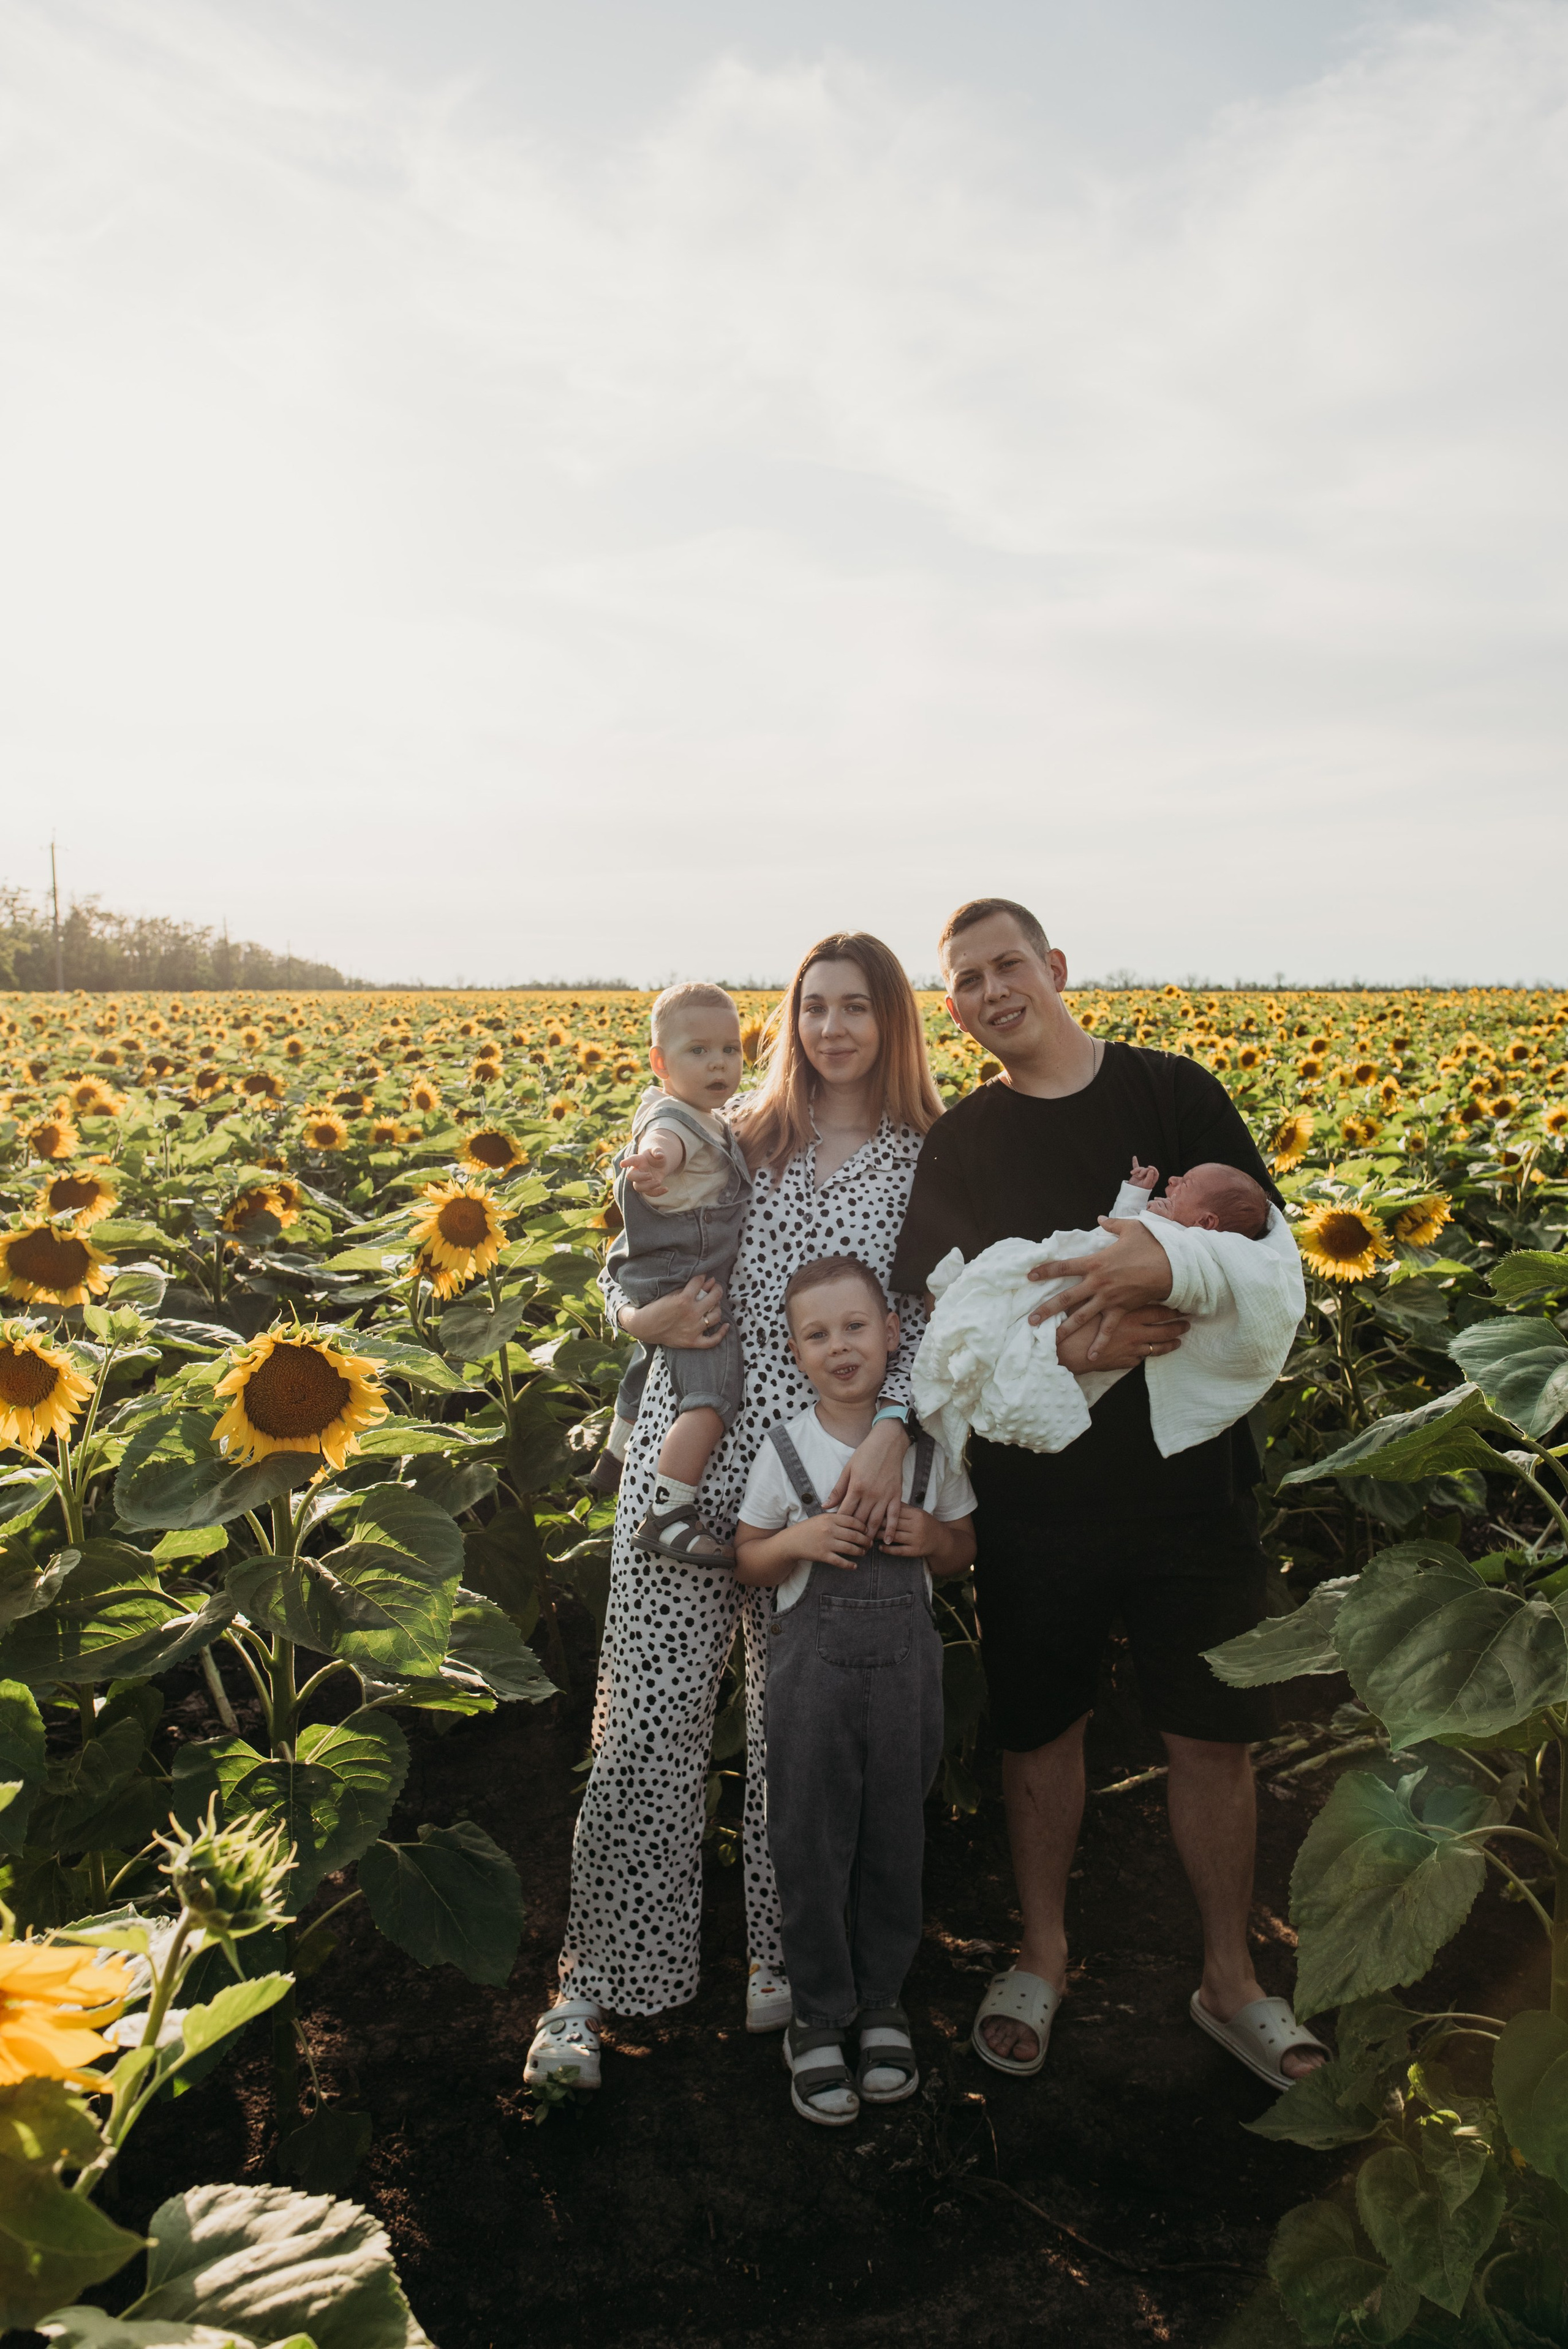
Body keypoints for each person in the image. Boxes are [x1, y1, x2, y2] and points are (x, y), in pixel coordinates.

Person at [891, 898, 1328, 2092]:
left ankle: (1229, 1978)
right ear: (953, 1006)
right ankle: (1041, 1953)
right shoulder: (964, 1140)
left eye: (1008, 965)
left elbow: (1265, 1258)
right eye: (967, 980)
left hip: (1194, 1482)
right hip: (1039, 1493)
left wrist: (1161, 1262)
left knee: (1212, 1732)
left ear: (1054, 966)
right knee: (1039, 1730)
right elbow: (942, 1312)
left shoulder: (1169, 1091)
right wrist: (1069, 1347)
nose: (992, 992)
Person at [525, 934, 944, 2093]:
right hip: (691, 1449)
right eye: (814, 1006)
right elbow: (633, 1250)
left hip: (825, 1471)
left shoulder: (926, 1157)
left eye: (857, 1007)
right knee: (647, 1710)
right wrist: (634, 1320)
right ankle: (601, 1980)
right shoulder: (739, 1130)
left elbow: (934, 1314)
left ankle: (785, 1956)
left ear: (893, 1021)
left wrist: (895, 1429)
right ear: (787, 1022)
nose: (833, 1029)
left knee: (795, 1731)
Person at [733, 1255, 976, 2126]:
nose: (839, 1346)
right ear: (795, 1352)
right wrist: (798, 1539)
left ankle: (881, 2002)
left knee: (894, 1840)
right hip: (813, 1686)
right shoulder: (786, 1448)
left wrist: (930, 1536)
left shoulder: (927, 1448)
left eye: (855, 1326)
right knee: (811, 1843)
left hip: (906, 1682)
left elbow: (964, 1548)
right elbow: (749, 1557)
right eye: (817, 1334)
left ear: (893, 1333)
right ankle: (818, 2012)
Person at [589, 983, 750, 1566]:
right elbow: (666, 1143)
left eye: (730, 1050)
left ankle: (615, 1453)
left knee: (647, 1362)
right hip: (685, 1282)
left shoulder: (710, 1114)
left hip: (661, 1273)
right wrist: (655, 1162)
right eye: (698, 1051)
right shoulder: (675, 1120)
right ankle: (670, 1512)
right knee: (711, 1393)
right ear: (660, 1062)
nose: (719, 1064)